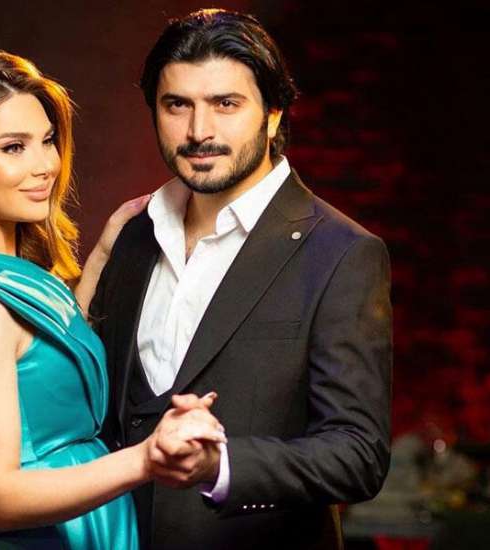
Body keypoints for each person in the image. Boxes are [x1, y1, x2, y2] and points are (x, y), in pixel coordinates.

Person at [0, 49, 227, 549]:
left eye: (47, 141)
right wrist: (147, 459)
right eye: (13, 148)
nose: (45, 166)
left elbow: (39, 365)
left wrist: (102, 255)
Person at [89, 9, 393, 550]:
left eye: (225, 104)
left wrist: (221, 465)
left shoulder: (341, 253)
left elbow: (358, 454)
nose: (198, 131)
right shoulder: (133, 236)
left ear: (273, 114)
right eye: (177, 105)